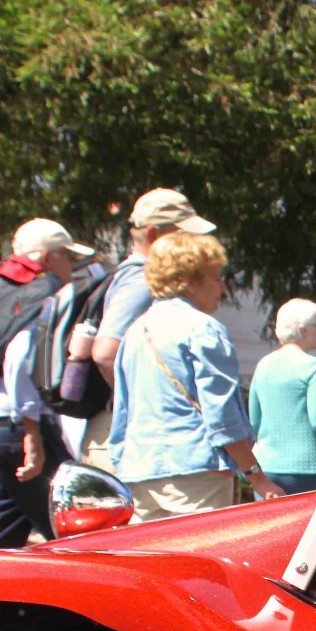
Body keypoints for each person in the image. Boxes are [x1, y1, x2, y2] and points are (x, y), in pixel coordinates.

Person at [109, 232, 277, 519]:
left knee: (154, 562)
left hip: (139, 472)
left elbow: (123, 412)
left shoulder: (135, 332)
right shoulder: (204, 329)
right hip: (196, 473)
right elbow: (222, 416)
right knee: (201, 560)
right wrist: (256, 475)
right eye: (216, 277)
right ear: (188, 280)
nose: (223, 288)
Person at [0, 219, 88, 549]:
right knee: (71, 526)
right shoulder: (40, 291)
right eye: (67, 256)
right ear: (47, 257)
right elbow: (19, 356)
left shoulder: (1, 290)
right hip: (14, 426)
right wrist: (32, 432)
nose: (71, 266)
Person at [84, 188, 216, 465]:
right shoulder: (142, 278)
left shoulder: (135, 275)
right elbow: (106, 352)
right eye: (184, 235)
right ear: (154, 234)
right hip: (130, 439)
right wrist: (144, 410)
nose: (195, 245)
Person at [248, 297, 316, 495]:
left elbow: (253, 420)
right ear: (303, 330)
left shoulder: (263, 364)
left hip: (266, 466)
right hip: (308, 468)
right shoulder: (314, 368)